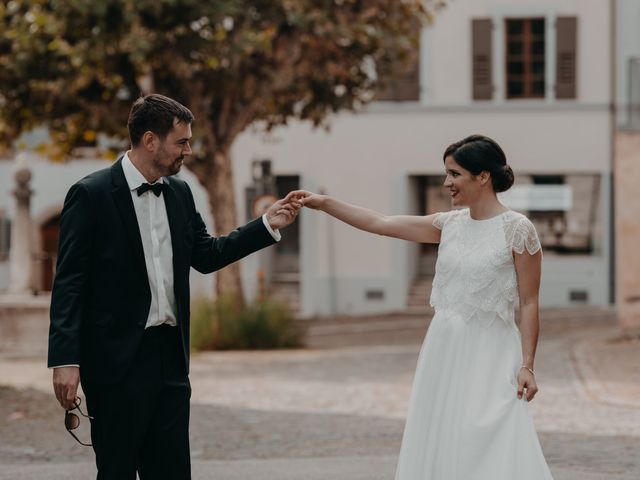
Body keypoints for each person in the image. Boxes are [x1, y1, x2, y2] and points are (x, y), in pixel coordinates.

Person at [48, 93, 301, 479]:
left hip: (170, 359)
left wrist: (266, 225)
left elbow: (207, 255)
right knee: (116, 471)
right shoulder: (91, 194)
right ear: (150, 140)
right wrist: (65, 360)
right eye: (182, 141)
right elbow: (69, 282)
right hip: (115, 361)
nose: (189, 149)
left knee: (172, 472)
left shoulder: (180, 193)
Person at [294, 134, 554, 479]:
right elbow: (381, 223)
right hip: (444, 348)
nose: (447, 183)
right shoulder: (448, 225)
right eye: (447, 173)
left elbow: (530, 301)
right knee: (442, 431)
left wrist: (528, 365)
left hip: (491, 350)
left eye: (455, 174)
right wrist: (324, 203)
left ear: (482, 177)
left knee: (488, 432)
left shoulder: (518, 230)